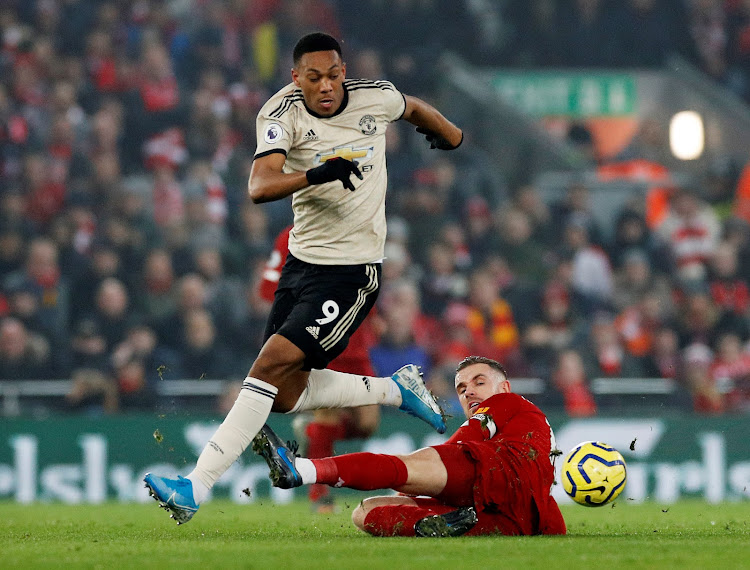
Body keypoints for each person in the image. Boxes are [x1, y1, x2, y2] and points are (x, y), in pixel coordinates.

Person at [144, 32, 463, 524]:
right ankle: (396, 390)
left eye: (333, 75)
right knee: (287, 395)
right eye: (313, 78)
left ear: (343, 71)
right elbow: (260, 186)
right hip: (301, 265)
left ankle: (194, 485)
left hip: (351, 271)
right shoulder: (280, 113)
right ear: (297, 79)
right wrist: (318, 173)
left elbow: (413, 107)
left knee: (266, 367)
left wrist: (449, 133)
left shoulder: (373, 97)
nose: (326, 86)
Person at [254, 356, 566, 537]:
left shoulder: (507, 403)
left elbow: (468, 439)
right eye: (461, 388)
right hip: (514, 519)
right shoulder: (531, 431)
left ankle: (302, 468)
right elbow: (554, 527)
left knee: (401, 468)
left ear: (504, 387)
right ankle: (434, 527)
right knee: (365, 513)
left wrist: (418, 476)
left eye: (478, 382)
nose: (468, 391)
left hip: (498, 469)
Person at [262, 225, 381, 512]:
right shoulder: (292, 234)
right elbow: (269, 287)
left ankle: (313, 434)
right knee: (328, 410)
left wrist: (373, 315)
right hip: (321, 333)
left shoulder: (360, 226)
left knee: (367, 423)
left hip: (356, 337)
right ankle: (320, 493)